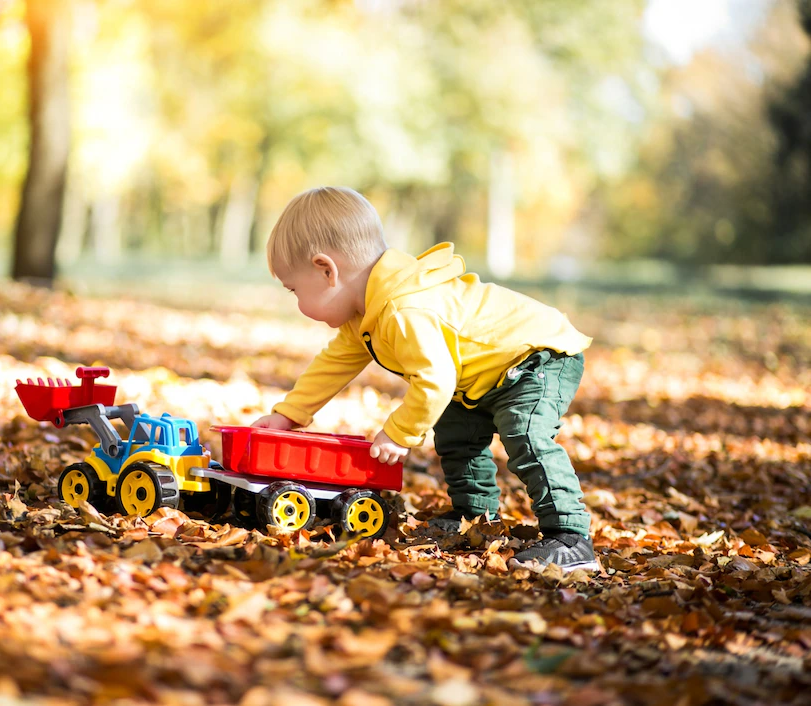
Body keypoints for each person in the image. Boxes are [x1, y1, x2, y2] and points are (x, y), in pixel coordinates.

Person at [251, 186, 598, 572]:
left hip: (536, 357)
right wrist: (288, 414)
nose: (297, 302)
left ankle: (570, 537)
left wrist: (399, 431)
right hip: (482, 375)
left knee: (525, 434)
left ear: (327, 271)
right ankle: (474, 515)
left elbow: (435, 381)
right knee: (456, 434)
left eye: (294, 290)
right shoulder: (366, 313)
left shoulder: (404, 308)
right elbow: (334, 364)